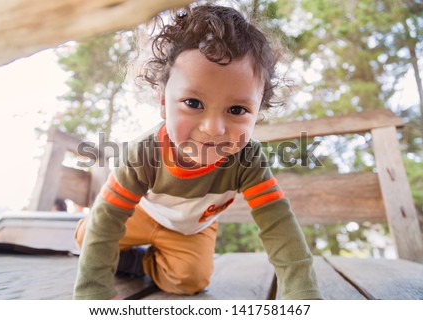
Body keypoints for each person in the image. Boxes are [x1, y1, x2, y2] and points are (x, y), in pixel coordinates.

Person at [73, 3, 322, 300]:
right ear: (163, 102)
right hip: (140, 213)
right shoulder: (143, 154)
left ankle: (142, 263)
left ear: (258, 113)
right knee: (89, 235)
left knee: (189, 280)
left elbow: (279, 224)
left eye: (237, 109)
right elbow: (109, 215)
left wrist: (303, 297)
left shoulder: (248, 161)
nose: (214, 128)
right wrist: (92, 295)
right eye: (193, 103)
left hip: (189, 229)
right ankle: (122, 254)